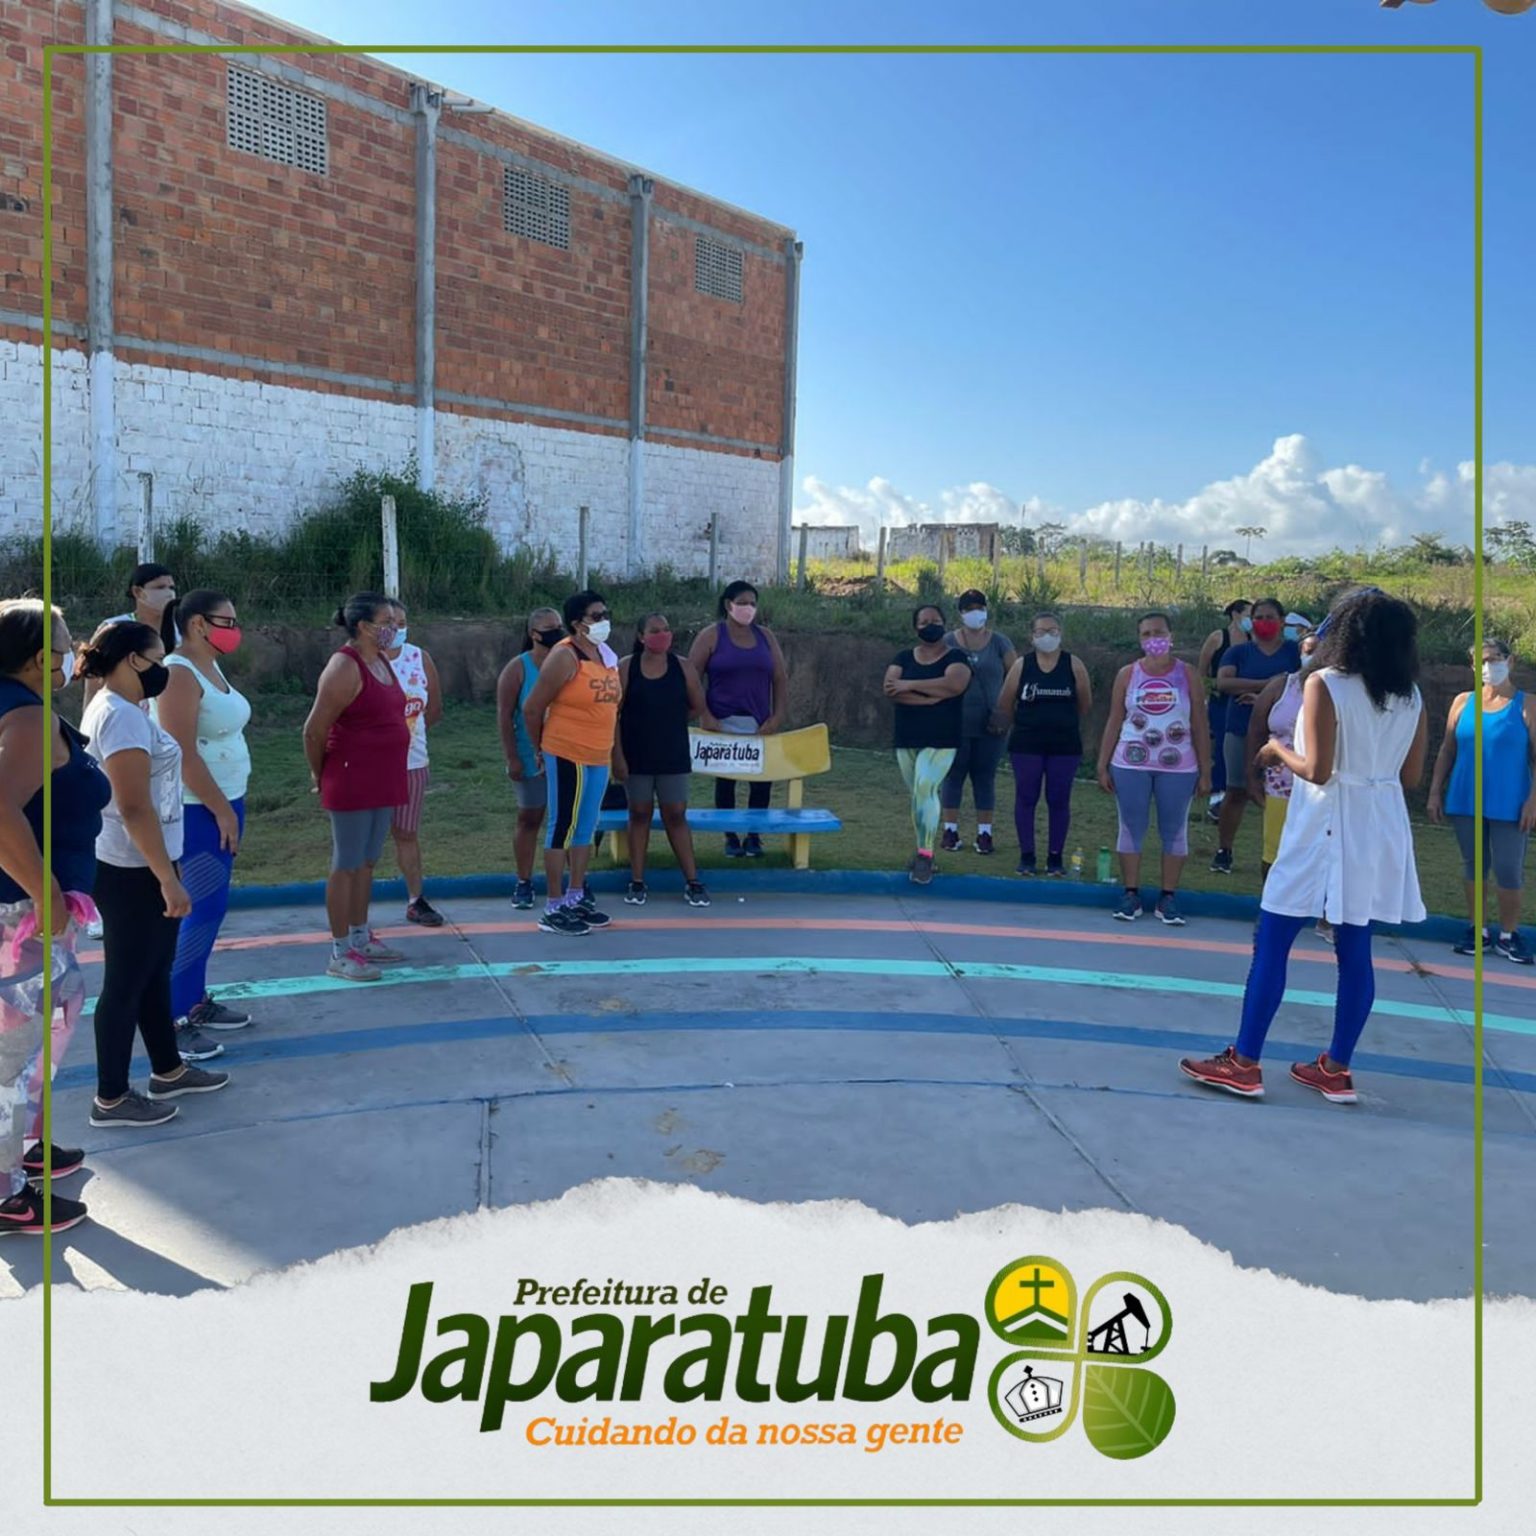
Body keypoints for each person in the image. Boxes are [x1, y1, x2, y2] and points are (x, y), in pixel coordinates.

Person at [1180, 590, 1429, 1103]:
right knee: (1355, 946)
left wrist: (1277, 750)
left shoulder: (1325, 683)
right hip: (1379, 825)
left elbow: (1316, 769)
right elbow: (1410, 777)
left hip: (1325, 820)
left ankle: (1244, 1062)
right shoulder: (1411, 696)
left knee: (1273, 936)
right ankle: (1336, 1068)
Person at [79, 622, 230, 1127]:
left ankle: (167, 1068)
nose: (163, 669)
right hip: (131, 866)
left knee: (151, 973)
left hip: (147, 859)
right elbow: (133, 805)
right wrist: (166, 877)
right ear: (132, 660)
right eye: (157, 659)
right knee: (126, 981)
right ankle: (111, 1097)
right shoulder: (120, 717)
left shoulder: (128, 708)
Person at [0, 601, 108, 1233]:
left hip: (26, 910)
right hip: (20, 914)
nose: (75, 653)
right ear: (42, 658)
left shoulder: (21, 709)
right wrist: (44, 894)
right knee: (15, 1053)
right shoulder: (27, 718)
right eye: (69, 645)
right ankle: (7, 1193)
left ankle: (24, 1153)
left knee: (43, 1029)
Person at [151, 588, 254, 1065]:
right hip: (198, 808)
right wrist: (220, 810)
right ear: (197, 624)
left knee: (211, 908)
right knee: (200, 909)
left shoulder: (210, 666)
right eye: (226, 622)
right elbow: (182, 752)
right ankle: (173, 1017)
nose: (235, 630)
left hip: (224, 801)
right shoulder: (178, 673)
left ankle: (193, 998)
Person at [302, 595, 411, 982]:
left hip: (383, 776)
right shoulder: (344, 667)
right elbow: (313, 730)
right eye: (387, 621)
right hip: (352, 776)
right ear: (364, 626)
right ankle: (339, 950)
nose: (395, 628)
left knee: (367, 861)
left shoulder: (380, 659)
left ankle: (361, 937)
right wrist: (320, 774)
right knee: (346, 863)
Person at [1096, 612, 1212, 925]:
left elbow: (1199, 724)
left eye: (1158, 632)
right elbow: (1114, 719)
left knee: (1174, 830)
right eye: (1146, 634)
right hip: (1130, 763)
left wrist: (1206, 770)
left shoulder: (1188, 674)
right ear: (1139, 639)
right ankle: (1130, 893)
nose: (1153, 639)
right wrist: (1102, 764)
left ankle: (1168, 897)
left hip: (1179, 765)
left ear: (1171, 636)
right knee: (1131, 826)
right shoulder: (1127, 674)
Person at [1428, 638, 1535, 965]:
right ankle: (1478, 930)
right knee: (1473, 864)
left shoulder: (1527, 704)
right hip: (1465, 797)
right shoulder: (1463, 702)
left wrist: (1533, 801)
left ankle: (1509, 935)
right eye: (1482, 661)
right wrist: (1435, 791)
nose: (1489, 666)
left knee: (1508, 868)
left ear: (1510, 661)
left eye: (1495, 659)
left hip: (1510, 800)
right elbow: (1447, 749)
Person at [523, 591, 621, 936]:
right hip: (567, 751)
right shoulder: (565, 656)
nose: (604, 620)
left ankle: (576, 895)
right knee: (562, 825)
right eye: (596, 616)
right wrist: (539, 748)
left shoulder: (605, 655)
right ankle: (553, 904)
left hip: (598, 753)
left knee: (586, 826)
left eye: (605, 613)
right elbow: (532, 707)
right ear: (578, 623)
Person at [615, 614, 715, 907]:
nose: (662, 635)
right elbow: (613, 714)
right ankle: (637, 880)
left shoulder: (682, 667)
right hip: (636, 754)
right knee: (639, 813)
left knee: (676, 814)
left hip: (672, 753)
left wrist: (668, 721)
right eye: (655, 630)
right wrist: (617, 756)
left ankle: (693, 881)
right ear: (641, 636)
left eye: (666, 629)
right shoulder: (626, 667)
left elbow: (697, 705)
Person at [687, 581, 789, 859]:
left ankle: (754, 836)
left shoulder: (766, 636)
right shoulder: (711, 635)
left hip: (759, 723)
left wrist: (777, 716)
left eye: (753, 603)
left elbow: (780, 678)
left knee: (762, 781)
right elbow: (691, 677)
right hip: (722, 722)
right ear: (728, 604)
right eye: (743, 603)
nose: (748, 608)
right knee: (726, 781)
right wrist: (704, 715)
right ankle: (730, 836)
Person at [1245, 631, 1334, 945]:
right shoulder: (1281, 686)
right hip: (1280, 784)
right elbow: (1256, 730)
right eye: (1308, 649)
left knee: (1325, 853)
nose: (1313, 655)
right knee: (1275, 851)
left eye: (1319, 650)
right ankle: (1271, 910)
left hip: (1323, 790)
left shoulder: (1337, 688)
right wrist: (1252, 776)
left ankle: (1328, 916)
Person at [993, 614, 1093, 877]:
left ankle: (1055, 858)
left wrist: (1060, 721)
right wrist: (1026, 723)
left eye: (1052, 630)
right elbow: (1005, 703)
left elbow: (1084, 704)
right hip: (1026, 744)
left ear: (1061, 633)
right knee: (1026, 797)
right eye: (1041, 631)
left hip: (1065, 745)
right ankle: (1027, 856)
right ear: (1032, 636)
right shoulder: (1021, 665)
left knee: (1059, 799)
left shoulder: (1074, 665)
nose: (1047, 636)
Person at [1211, 598, 1301, 873]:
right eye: (1258, 617)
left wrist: (1260, 695)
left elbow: (1304, 682)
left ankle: (1282, 853)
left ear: (1282, 621)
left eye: (1269, 617)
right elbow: (1224, 682)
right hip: (1239, 728)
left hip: (1284, 736)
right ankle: (1224, 849)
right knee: (1236, 790)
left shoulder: (1294, 651)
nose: (1263, 622)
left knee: (1285, 795)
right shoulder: (1238, 652)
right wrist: (1270, 687)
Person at [885, 606, 972, 886]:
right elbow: (891, 689)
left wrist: (909, 685)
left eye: (935, 621)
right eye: (924, 622)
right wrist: (930, 697)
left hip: (942, 738)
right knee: (918, 796)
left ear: (945, 624)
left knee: (925, 787)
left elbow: (954, 684)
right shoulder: (902, 657)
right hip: (907, 737)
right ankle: (923, 849)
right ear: (915, 627)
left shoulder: (956, 657)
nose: (930, 625)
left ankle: (925, 854)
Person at [937, 589, 1015, 856]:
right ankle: (950, 831)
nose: (975, 613)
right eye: (969, 608)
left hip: (992, 725)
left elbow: (1015, 675)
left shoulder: (1000, 642)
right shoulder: (948, 641)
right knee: (953, 776)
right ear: (960, 613)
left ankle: (985, 834)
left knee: (985, 777)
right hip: (954, 722)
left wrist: (1008, 710)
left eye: (980, 607)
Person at [384, 599, 445, 928]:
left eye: (403, 622)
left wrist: (407, 739)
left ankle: (415, 900)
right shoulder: (358, 662)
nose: (397, 629)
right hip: (369, 767)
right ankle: (352, 910)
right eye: (389, 622)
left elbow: (433, 710)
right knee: (363, 840)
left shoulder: (420, 658)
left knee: (407, 832)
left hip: (412, 763)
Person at [496, 609, 561, 910]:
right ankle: (523, 880)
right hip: (529, 753)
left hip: (565, 751)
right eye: (550, 628)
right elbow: (504, 715)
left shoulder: (568, 660)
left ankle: (574, 881)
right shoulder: (518, 668)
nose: (557, 632)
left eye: (559, 626)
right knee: (530, 817)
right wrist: (512, 757)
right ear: (534, 634)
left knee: (566, 819)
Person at [82, 563, 181, 710]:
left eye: (171, 588)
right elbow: (94, 681)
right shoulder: (115, 627)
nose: (168, 593)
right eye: (160, 587)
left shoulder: (181, 630)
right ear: (138, 592)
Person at [1197, 599, 1251, 820]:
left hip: (1245, 700)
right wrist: (1203, 699)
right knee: (1220, 746)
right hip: (1220, 701)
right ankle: (1217, 794)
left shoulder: (1252, 639)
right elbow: (1202, 671)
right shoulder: (1218, 637)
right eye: (1249, 614)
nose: (1252, 619)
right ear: (1236, 614)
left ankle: (1240, 792)